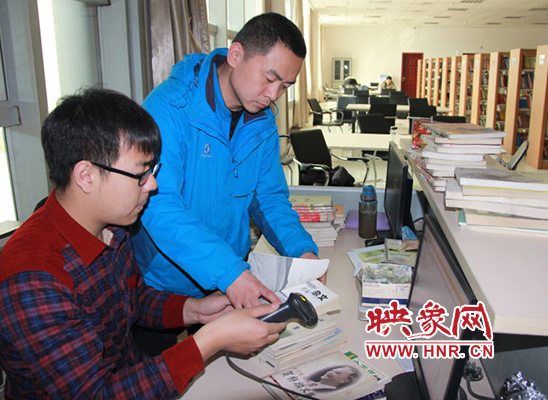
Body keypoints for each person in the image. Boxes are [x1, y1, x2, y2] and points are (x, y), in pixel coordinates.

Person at [0, 88, 285, 399]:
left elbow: (129, 298)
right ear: (86, 176)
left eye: (153, 171)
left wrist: (194, 311)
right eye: (140, 174)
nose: (152, 184)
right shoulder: (33, 278)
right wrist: (208, 342)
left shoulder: (112, 226)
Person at [131, 12, 320, 310]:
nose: (273, 95)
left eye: (285, 86)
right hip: (166, 284)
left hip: (229, 274)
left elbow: (269, 198)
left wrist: (302, 252)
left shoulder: (263, 121)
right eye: (269, 78)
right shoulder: (169, 108)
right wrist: (230, 273)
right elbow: (159, 204)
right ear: (235, 55)